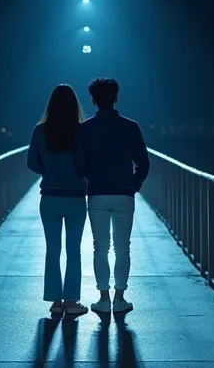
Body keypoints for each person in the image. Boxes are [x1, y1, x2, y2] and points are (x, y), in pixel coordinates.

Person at [77, 77, 150, 313]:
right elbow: (144, 162)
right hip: (123, 194)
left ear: (93, 100)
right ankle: (120, 298)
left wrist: (90, 177)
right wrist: (134, 184)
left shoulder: (85, 128)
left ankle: (103, 298)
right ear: (116, 97)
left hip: (97, 193)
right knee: (122, 247)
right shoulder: (131, 127)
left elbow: (79, 164)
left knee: (100, 247)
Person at [27, 84, 89, 316]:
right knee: (74, 250)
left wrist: (49, 171)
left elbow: (31, 163)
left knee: (52, 250)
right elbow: (87, 164)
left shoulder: (40, 131)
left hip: (50, 197)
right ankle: (72, 302)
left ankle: (55, 301)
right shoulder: (82, 132)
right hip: (75, 198)